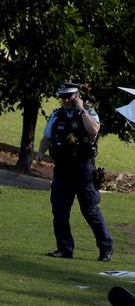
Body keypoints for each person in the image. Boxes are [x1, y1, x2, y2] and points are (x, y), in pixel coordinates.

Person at [36, 82, 113, 261]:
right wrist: (40, 152)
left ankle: (106, 249)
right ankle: (64, 248)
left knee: (90, 210)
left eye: (68, 97)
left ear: (76, 96)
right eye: (62, 97)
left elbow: (94, 129)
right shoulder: (57, 114)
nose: (65, 100)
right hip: (62, 169)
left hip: (83, 169)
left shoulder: (89, 112)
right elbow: (46, 137)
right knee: (59, 209)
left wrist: (81, 110)